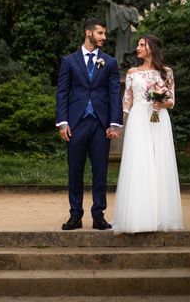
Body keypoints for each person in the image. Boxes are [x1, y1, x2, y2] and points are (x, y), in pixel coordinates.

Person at [56, 17, 123, 230]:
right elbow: (62, 93)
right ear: (88, 33)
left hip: (101, 125)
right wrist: (63, 123)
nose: (104, 37)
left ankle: (98, 216)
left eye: (104, 34)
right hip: (76, 124)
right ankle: (75, 215)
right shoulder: (69, 61)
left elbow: (114, 93)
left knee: (100, 171)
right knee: (75, 171)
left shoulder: (110, 62)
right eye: (100, 33)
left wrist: (114, 124)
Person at [112, 34, 183, 233]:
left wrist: (162, 102)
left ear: (151, 47)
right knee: (140, 164)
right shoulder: (132, 72)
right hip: (137, 120)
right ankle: (139, 218)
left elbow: (172, 102)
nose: (137, 47)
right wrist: (118, 125)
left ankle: (160, 216)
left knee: (159, 164)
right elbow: (127, 102)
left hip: (158, 120)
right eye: (138, 44)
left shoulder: (166, 72)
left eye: (141, 44)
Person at [102, 0, 140, 68]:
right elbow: (112, 5)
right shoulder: (120, 8)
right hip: (121, 32)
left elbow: (137, 22)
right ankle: (120, 63)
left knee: (132, 46)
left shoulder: (134, 10)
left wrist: (131, 20)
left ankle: (132, 62)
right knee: (120, 47)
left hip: (131, 31)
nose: (127, 0)